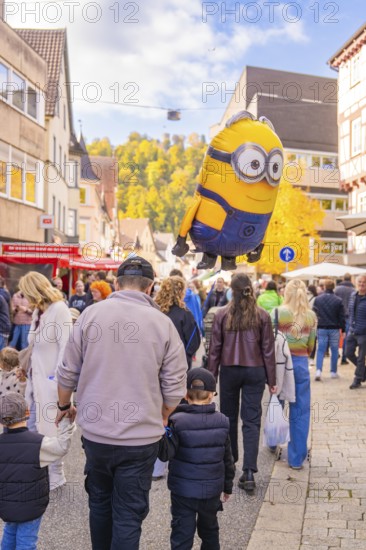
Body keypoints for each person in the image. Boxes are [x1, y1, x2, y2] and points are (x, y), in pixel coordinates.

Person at [56, 255, 188, 550]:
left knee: (100, 505)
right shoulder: (162, 324)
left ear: (116, 283)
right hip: (140, 437)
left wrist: (64, 407)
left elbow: (66, 372)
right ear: (151, 286)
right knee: (128, 513)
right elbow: (175, 385)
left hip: (96, 434)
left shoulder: (91, 315)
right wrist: (163, 414)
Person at [207, 273, 276, 492]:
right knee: (252, 419)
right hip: (255, 371)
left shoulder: (222, 314)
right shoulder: (262, 316)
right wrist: (272, 380)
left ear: (231, 291)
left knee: (228, 418)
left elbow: (214, 349)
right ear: (251, 289)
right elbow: (268, 350)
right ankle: (249, 472)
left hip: (229, 370)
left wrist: (211, 380)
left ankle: (230, 463)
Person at [166, 368, 235, 550]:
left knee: (181, 535)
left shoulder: (177, 421)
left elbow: (167, 453)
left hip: (183, 492)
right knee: (210, 532)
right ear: (212, 396)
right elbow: (228, 459)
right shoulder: (222, 421)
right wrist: (227, 486)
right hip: (211, 492)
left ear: (185, 396)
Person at [0, 392, 75, 550]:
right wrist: (66, 422)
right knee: (26, 541)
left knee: (10, 532)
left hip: (6, 505)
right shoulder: (38, 444)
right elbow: (62, 446)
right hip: (31, 507)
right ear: (27, 413)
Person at [18, 271, 72, 489]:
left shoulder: (59, 310)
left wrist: (57, 380)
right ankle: (40, 472)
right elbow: (34, 342)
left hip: (52, 382)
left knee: (54, 430)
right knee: (33, 428)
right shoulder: (38, 312)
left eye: (26, 293)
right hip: (35, 380)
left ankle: (56, 475)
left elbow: (66, 347)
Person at [271, 279, 317, 470]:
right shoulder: (311, 316)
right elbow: (312, 345)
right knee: (300, 411)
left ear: (285, 293)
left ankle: (273, 442)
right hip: (300, 365)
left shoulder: (277, 313)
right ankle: (296, 458)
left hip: (280, 363)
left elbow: (269, 339)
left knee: (276, 405)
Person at [155, 276, 201, 370]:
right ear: (181, 292)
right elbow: (194, 341)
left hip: (155, 361)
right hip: (178, 365)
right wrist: (184, 357)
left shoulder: (154, 309)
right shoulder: (185, 314)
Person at [312, 279, 345, 381]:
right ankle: (333, 372)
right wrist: (343, 329)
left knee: (321, 350)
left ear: (324, 287)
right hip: (334, 328)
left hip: (321, 327)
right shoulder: (338, 300)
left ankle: (318, 371)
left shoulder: (318, 299)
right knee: (334, 350)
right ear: (333, 287)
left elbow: (314, 314)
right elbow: (341, 316)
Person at [347, 275, 366, 389]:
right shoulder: (353, 296)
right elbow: (350, 312)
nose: (362, 284)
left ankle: (357, 380)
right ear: (356, 283)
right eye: (360, 282)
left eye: (364, 282)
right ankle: (363, 372)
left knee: (361, 357)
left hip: (364, 333)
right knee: (348, 353)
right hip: (352, 331)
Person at [335, 273, 355, 365]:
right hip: (348, 316)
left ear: (343, 279)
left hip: (336, 315)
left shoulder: (337, 289)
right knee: (346, 337)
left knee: (334, 337)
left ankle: (335, 356)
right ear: (350, 279)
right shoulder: (353, 290)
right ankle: (344, 357)